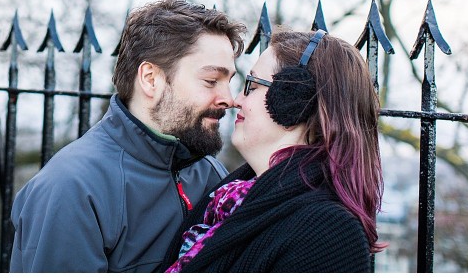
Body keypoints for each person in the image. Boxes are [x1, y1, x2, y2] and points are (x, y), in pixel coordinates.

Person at [10, 0, 247, 272]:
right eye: (210, 81)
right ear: (150, 78)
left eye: (228, 81)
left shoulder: (212, 175)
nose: (229, 99)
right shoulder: (71, 189)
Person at [159, 28, 385, 273]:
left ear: (294, 98)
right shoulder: (228, 200)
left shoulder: (327, 233)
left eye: (253, 85)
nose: (236, 100)